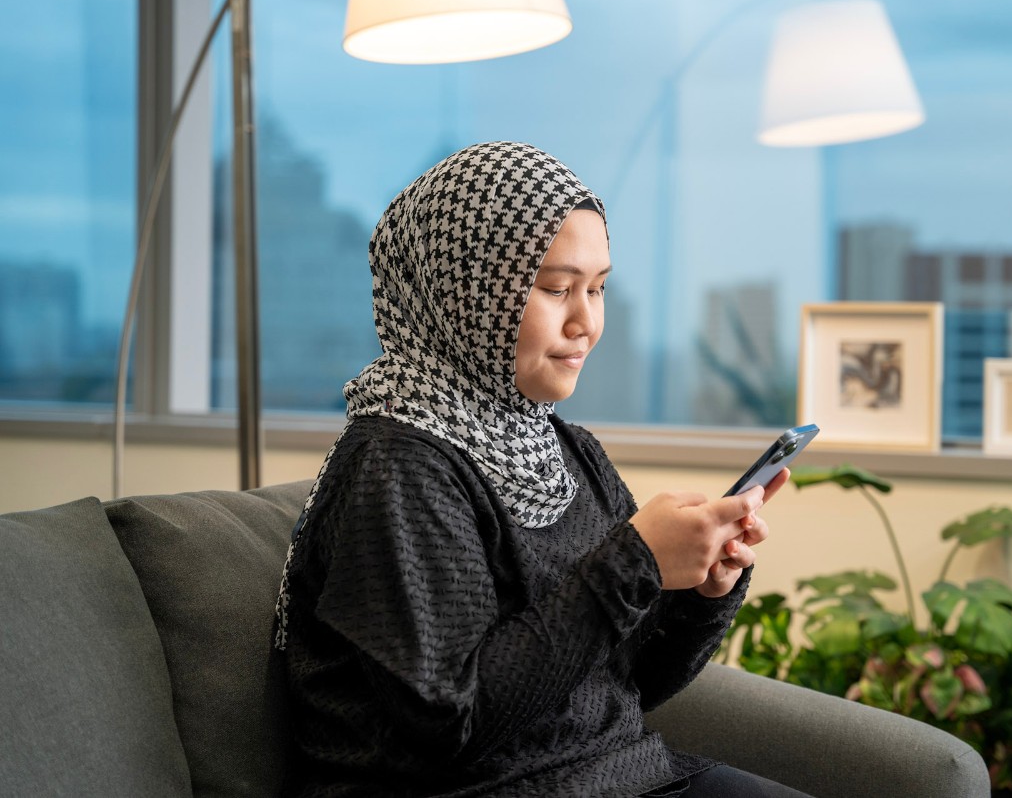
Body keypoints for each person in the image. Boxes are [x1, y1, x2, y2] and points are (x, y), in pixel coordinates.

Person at [273, 141, 807, 797]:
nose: (587, 322)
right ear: (465, 291)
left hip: (614, 776)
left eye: (599, 288)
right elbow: (449, 723)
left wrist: (704, 589)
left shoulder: (570, 450)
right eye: (556, 288)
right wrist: (634, 560)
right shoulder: (400, 467)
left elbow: (626, 684)